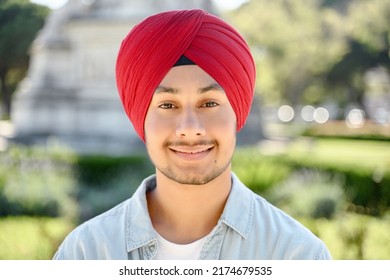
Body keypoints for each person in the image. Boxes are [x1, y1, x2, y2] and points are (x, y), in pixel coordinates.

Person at [53, 9, 332, 260]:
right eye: (167, 105)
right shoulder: (85, 253)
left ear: (238, 112)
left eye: (209, 103)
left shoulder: (297, 255)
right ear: (141, 119)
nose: (189, 128)